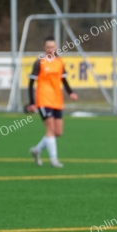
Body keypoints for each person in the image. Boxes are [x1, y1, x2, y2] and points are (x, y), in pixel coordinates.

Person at [28, 37, 78, 168]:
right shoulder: (39, 62)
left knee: (58, 132)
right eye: (48, 47)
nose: (50, 49)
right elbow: (30, 83)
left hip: (57, 99)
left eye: (52, 47)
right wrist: (31, 103)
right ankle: (54, 160)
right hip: (43, 99)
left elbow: (64, 80)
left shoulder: (59, 62)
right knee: (50, 129)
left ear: (55, 48)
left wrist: (71, 92)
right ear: (44, 48)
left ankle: (37, 150)